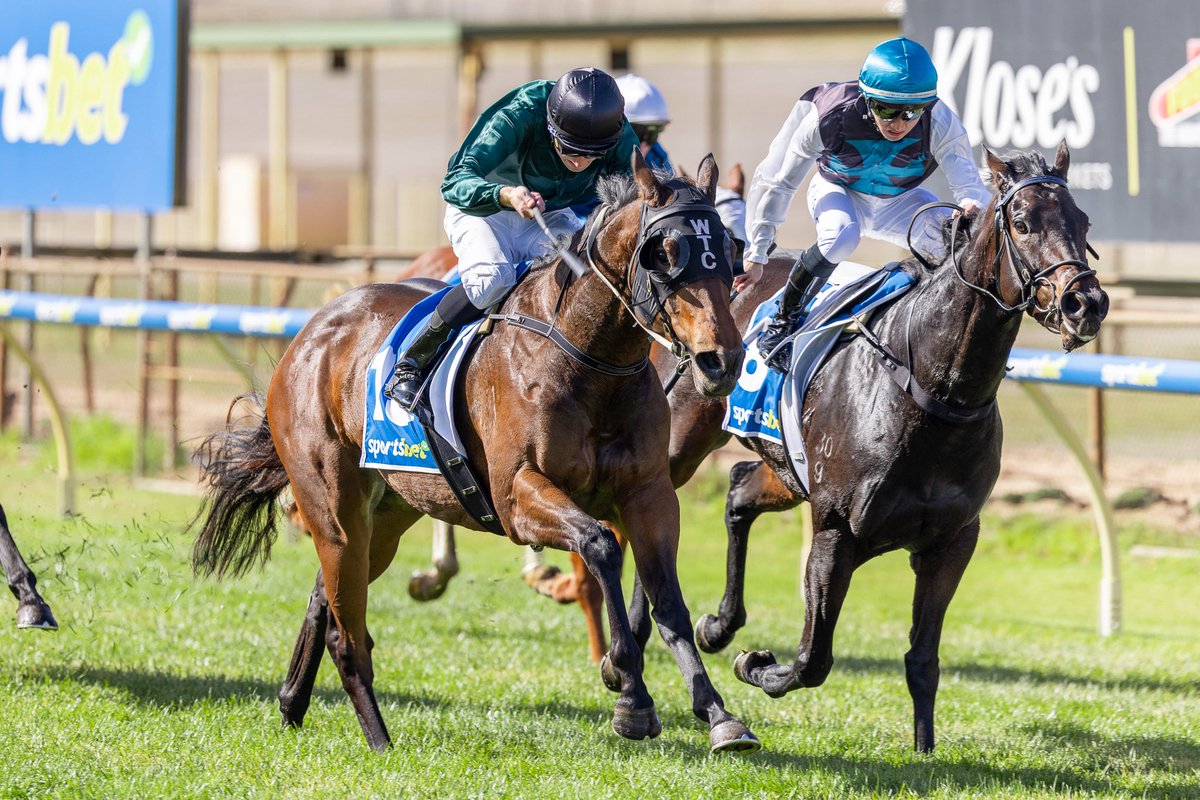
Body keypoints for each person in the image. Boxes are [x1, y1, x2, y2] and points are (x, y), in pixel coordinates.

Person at [384, 67, 638, 409]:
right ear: (550, 126)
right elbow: (454, 182)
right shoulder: (521, 113)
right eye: (569, 149)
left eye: (592, 154)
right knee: (492, 279)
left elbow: (640, 202)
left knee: (586, 278)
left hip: (546, 213)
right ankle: (412, 363)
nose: (579, 162)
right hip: (483, 209)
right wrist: (505, 194)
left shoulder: (621, 138)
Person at [736, 36, 991, 371]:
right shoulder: (829, 116)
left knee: (959, 244)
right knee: (841, 236)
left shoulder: (941, 120)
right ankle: (783, 321)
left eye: (911, 112)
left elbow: (972, 190)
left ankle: (965, 337)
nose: (899, 124)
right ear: (868, 100)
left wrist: (973, 208)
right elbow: (780, 181)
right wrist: (757, 252)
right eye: (887, 110)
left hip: (900, 202)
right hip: (838, 190)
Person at [615, 73, 747, 243]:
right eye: (637, 133)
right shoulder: (591, 157)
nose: (646, 143)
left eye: (654, 133)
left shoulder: (657, 156)